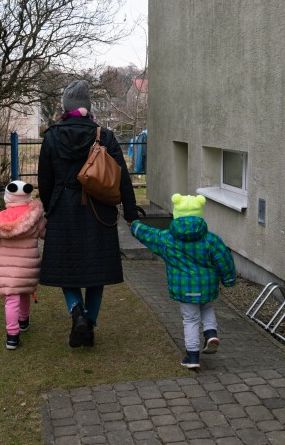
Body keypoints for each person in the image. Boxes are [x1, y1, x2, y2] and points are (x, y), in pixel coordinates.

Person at [37, 80, 140, 348]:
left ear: (65, 107)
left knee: (65, 268)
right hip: (99, 210)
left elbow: (44, 180)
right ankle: (89, 323)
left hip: (63, 211)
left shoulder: (51, 136)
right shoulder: (104, 136)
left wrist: (49, 210)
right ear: (88, 107)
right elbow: (122, 177)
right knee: (97, 270)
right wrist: (130, 211)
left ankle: (77, 313)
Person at [130, 193, 236, 369]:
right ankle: (211, 334)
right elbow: (224, 260)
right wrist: (229, 279)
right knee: (207, 307)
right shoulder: (211, 239)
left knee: (191, 320)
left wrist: (134, 226)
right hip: (207, 286)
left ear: (177, 213)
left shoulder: (167, 239)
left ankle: (192, 357)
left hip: (184, 289)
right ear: (199, 214)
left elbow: (149, 235)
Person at [0, 180, 47, 350]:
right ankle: (24, 320)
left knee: (11, 299)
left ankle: (12, 336)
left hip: (6, 268)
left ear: (7, 196)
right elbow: (47, 234)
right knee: (24, 291)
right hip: (29, 264)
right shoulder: (36, 217)